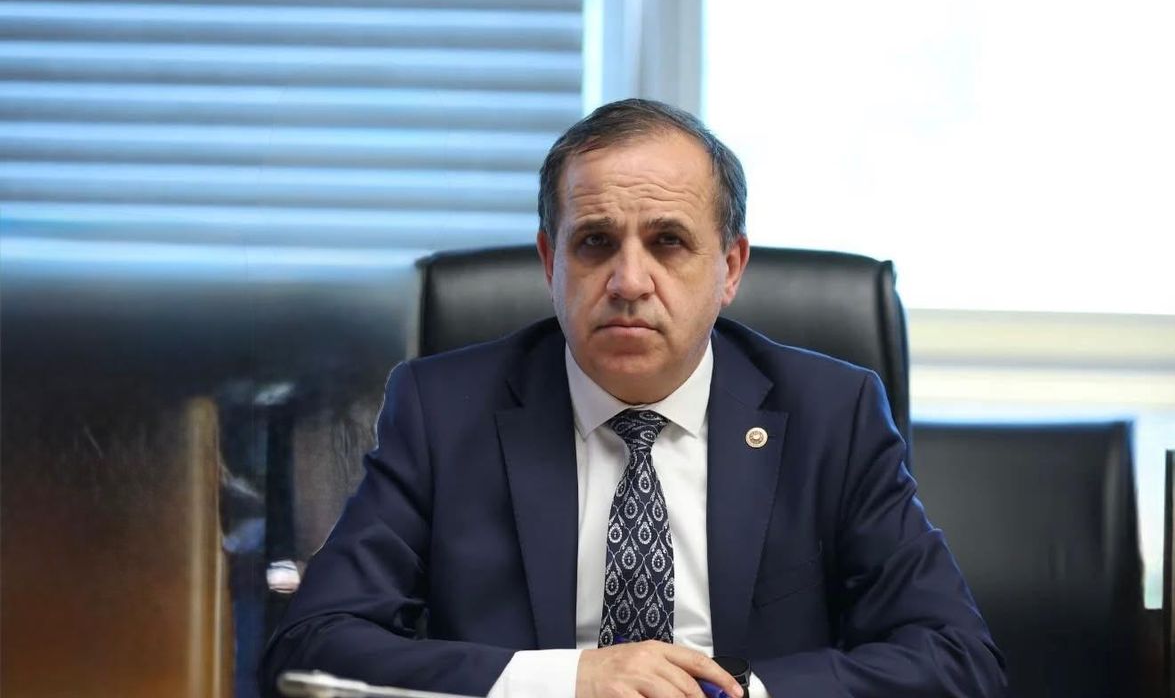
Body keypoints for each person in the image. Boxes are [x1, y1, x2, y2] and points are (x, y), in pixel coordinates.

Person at [259, 99, 1006, 697]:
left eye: (668, 242)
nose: (628, 281)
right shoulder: (443, 411)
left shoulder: (831, 415)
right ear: (550, 261)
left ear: (730, 267)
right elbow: (312, 647)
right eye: (594, 243)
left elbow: (955, 658)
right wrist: (565, 682)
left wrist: (737, 694)